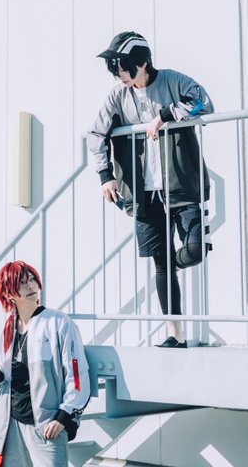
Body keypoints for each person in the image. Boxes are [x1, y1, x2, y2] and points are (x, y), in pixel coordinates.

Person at [87, 31, 214, 348]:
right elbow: (95, 134)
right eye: (113, 66)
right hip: (144, 194)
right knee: (160, 264)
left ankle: (174, 264)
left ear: (142, 62)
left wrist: (166, 114)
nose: (117, 72)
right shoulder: (117, 96)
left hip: (182, 185)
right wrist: (105, 176)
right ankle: (175, 334)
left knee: (195, 250)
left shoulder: (171, 81)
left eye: (122, 65)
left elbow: (204, 102)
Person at [0, 260, 90, 467]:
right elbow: (0, 385)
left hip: (47, 427)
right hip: (11, 426)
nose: (30, 286)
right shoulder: (7, 331)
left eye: (32, 279)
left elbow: (77, 374)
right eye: (22, 282)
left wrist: (63, 417)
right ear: (9, 294)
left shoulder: (58, 322)